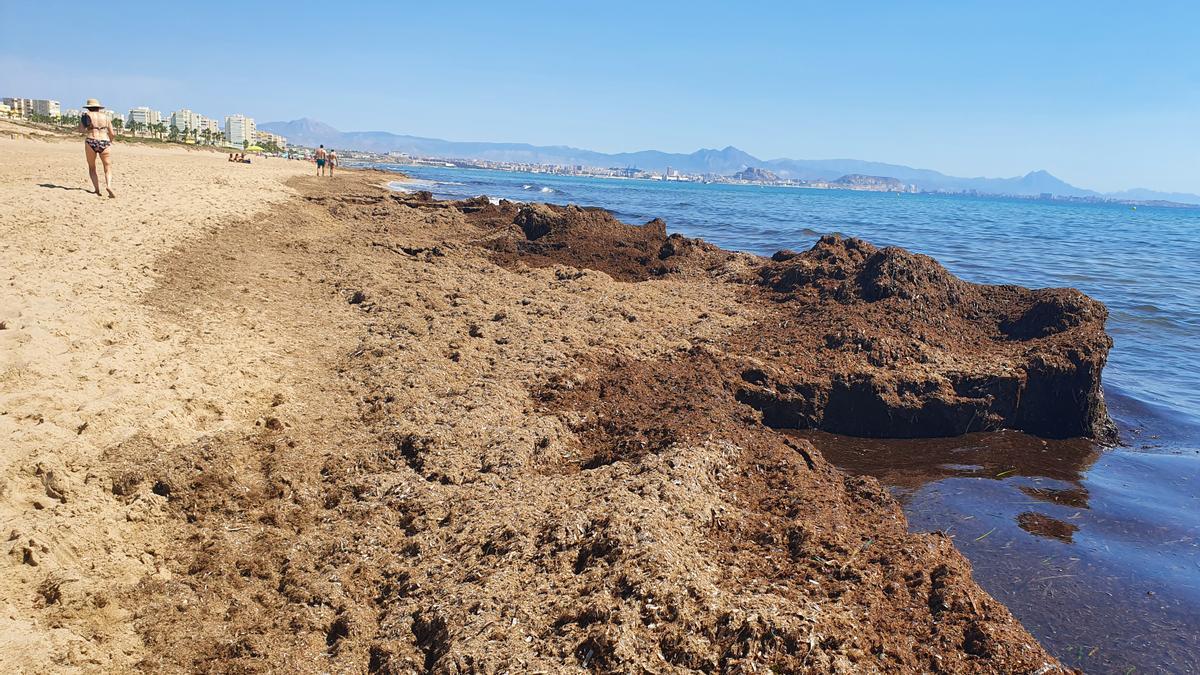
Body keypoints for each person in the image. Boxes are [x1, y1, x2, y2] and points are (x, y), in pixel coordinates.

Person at [79, 98, 116, 198]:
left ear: (88, 108)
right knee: (107, 167)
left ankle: (97, 189)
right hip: (105, 141)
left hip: (91, 140)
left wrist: (87, 127)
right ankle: (108, 185)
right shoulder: (106, 117)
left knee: (92, 167)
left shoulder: (86, 116)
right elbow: (112, 133)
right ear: (98, 108)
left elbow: (81, 130)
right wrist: (110, 142)